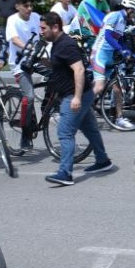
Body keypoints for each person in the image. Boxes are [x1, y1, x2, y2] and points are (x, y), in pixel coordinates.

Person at [40, 12, 115, 185]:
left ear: (55, 27)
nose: (41, 31)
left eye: (43, 28)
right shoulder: (58, 44)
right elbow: (62, 66)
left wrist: (77, 98)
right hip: (79, 94)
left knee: (65, 133)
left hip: (74, 95)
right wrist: (46, 63)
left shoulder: (66, 45)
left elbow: (79, 70)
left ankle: (65, 173)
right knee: (90, 129)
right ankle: (103, 161)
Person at [4, 0, 43, 152]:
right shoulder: (12, 20)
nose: (29, 9)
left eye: (31, 5)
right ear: (17, 6)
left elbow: (46, 33)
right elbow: (14, 39)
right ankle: (25, 135)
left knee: (59, 77)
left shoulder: (36, 17)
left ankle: (48, 107)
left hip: (37, 60)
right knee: (30, 96)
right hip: (20, 64)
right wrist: (29, 49)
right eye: (26, 6)